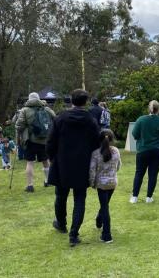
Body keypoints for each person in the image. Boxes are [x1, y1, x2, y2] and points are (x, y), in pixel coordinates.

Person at [47, 89, 100, 247]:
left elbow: (51, 141)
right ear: (86, 102)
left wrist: (52, 157)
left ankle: (62, 224)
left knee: (61, 196)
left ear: (71, 100)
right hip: (82, 164)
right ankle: (73, 232)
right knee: (79, 199)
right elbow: (96, 142)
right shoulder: (90, 120)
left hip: (62, 162)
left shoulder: (61, 118)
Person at [130, 100, 159, 204]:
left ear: (149, 108)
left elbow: (134, 134)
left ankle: (134, 197)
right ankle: (149, 197)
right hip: (157, 151)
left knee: (139, 173)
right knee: (153, 174)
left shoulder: (141, 119)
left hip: (143, 150)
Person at [16, 92, 56, 192]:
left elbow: (19, 125)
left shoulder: (25, 110)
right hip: (44, 140)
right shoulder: (46, 109)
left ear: (29, 99)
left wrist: (18, 136)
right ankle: (48, 181)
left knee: (30, 162)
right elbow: (55, 118)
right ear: (39, 99)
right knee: (46, 161)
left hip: (30, 140)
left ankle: (30, 185)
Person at [89, 129, 121, 244]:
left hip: (101, 184)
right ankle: (99, 218)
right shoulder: (116, 151)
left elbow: (92, 170)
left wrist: (92, 183)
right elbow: (118, 166)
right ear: (112, 139)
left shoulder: (96, 153)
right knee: (105, 204)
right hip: (112, 183)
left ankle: (106, 235)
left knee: (105, 206)